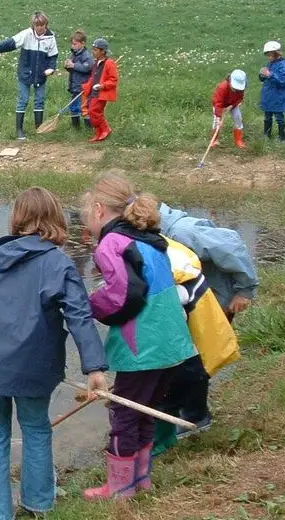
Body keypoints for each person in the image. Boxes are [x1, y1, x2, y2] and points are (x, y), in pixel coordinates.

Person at [0, 187, 109, 519]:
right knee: (35, 427)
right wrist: (95, 368)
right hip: (32, 367)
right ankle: (38, 505)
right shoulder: (59, 263)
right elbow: (79, 315)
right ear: (56, 219)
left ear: (17, 220)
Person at [80, 172, 197, 500]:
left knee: (125, 415)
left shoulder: (109, 243)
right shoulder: (149, 237)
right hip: (172, 340)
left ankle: (119, 489)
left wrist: (89, 305)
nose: (86, 223)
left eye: (87, 215)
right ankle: (141, 479)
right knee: (146, 409)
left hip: (142, 347)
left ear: (100, 209)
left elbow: (121, 295)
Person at [152, 203, 258, 450]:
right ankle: (185, 410)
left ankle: (196, 416)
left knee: (198, 359)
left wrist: (245, 290)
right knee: (190, 357)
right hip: (193, 303)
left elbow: (231, 246)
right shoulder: (158, 233)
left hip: (214, 301)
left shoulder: (183, 232)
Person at [0, 12, 59, 140]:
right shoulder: (26, 34)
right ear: (33, 25)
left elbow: (53, 57)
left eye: (42, 25)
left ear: (46, 25)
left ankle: (39, 128)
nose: (39, 28)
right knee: (23, 100)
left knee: (39, 100)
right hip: (25, 73)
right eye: (37, 25)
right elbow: (10, 43)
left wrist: (51, 69)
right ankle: (19, 130)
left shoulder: (51, 38)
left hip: (41, 75)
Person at [82, 39, 119, 143]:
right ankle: (99, 133)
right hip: (93, 92)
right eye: (92, 49)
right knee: (92, 112)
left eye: (95, 50)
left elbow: (113, 80)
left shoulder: (109, 63)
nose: (93, 52)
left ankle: (106, 129)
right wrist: (86, 87)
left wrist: (102, 86)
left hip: (101, 93)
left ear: (103, 51)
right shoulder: (96, 63)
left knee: (94, 111)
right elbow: (93, 78)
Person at [259, 40, 285, 142]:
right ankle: (267, 135)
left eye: (271, 55)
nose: (269, 57)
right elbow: (266, 77)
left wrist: (270, 75)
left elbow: (283, 81)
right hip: (269, 95)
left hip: (279, 96)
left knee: (279, 117)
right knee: (267, 116)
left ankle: (282, 137)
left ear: (276, 54)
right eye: (268, 55)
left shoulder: (283, 65)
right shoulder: (270, 64)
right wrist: (262, 75)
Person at [64, 30, 93, 130]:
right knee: (73, 108)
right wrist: (67, 66)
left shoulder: (86, 56)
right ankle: (76, 128)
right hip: (74, 87)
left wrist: (74, 65)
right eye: (72, 44)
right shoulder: (74, 54)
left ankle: (88, 129)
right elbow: (73, 68)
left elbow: (87, 68)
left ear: (82, 43)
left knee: (83, 108)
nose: (73, 46)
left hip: (82, 88)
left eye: (75, 44)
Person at [212, 69, 249, 149]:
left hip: (232, 105)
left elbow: (240, 98)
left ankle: (239, 140)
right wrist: (219, 118)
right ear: (230, 80)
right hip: (219, 105)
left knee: (238, 118)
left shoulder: (241, 89)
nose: (236, 89)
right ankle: (215, 140)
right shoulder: (223, 87)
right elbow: (218, 103)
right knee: (216, 122)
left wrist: (232, 106)